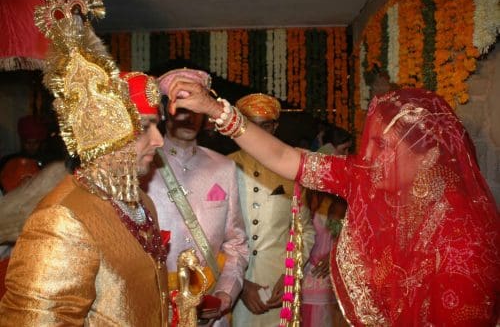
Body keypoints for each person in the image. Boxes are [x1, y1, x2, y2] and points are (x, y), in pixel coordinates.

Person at [164, 77, 500, 326]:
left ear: (428, 156)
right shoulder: (368, 176)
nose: (367, 155)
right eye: (370, 142)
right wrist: (213, 108)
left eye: (383, 147)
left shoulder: (463, 237)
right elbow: (285, 157)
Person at [0, 0, 169, 325]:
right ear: (106, 129)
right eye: (146, 128)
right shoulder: (61, 220)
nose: (159, 140)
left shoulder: (141, 201)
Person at [143, 68, 248, 326]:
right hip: (156, 308)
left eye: (196, 109)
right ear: (165, 110)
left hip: (211, 311)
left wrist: (225, 293)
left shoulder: (224, 167)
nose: (189, 118)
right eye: (182, 107)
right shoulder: (143, 165)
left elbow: (236, 244)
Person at [227, 94, 315, 327]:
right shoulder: (222, 167)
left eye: (265, 126)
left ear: (275, 127)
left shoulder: (291, 170)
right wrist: (241, 284)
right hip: (231, 290)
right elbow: (209, 237)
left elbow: (304, 230)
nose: (258, 134)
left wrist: (291, 273)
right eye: (251, 126)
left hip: (279, 288)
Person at [301, 126, 352, 327]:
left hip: (335, 280)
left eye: (349, 150)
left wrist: (335, 255)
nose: (347, 156)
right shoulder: (311, 195)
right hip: (310, 277)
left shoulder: (345, 194)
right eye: (344, 150)